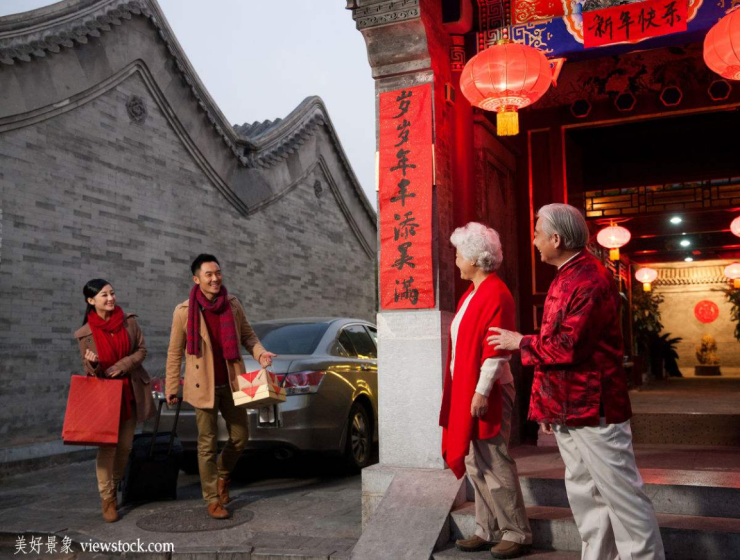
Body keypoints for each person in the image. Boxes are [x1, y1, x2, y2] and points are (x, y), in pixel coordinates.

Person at [487, 204, 665, 560]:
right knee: (586, 494)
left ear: (556, 238)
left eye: (538, 234)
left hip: (594, 405)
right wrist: (551, 408)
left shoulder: (590, 279)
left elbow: (569, 346)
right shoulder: (568, 275)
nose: (534, 241)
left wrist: (518, 341)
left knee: (621, 496)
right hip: (571, 406)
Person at [439, 223, 533, 559]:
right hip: (471, 389)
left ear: (476, 259)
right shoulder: (474, 292)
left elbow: (497, 351)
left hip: (488, 389)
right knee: (475, 461)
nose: (456, 260)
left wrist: (480, 391)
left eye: (459, 254)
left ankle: (517, 532)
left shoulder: (496, 293)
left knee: (494, 459)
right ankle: (488, 528)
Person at [165, 254, 276, 520]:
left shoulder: (233, 305)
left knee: (240, 437)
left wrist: (260, 354)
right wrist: (171, 385)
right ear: (196, 279)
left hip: (232, 380)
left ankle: (222, 475)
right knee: (207, 445)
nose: (215, 278)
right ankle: (212, 499)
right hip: (201, 385)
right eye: (208, 275)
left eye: (218, 273)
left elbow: (248, 336)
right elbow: (174, 352)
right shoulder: (184, 311)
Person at [73, 279, 156, 523]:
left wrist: (122, 365)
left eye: (112, 293)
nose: (110, 298)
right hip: (104, 397)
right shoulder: (86, 333)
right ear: (91, 301)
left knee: (125, 447)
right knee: (107, 448)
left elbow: (141, 351)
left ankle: (114, 483)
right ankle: (108, 497)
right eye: (104, 295)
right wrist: (94, 363)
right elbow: (90, 371)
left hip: (129, 392)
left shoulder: (129, 322)